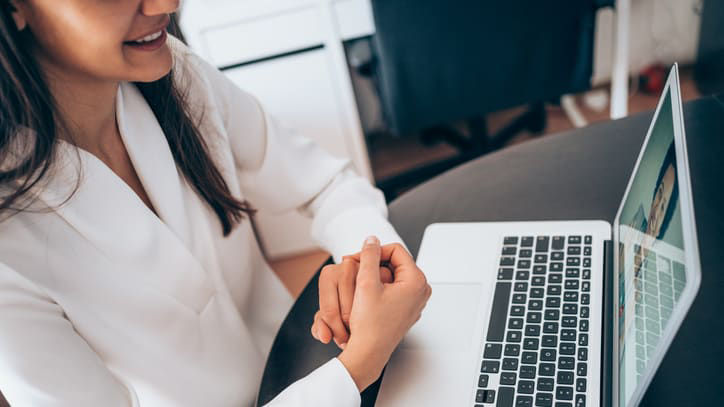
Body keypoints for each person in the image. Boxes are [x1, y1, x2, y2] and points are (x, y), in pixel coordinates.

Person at [0, 1, 431, 406]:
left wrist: (368, 267)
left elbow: (325, 184)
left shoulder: (174, 72)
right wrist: (357, 368)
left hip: (310, 355)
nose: (166, 5)